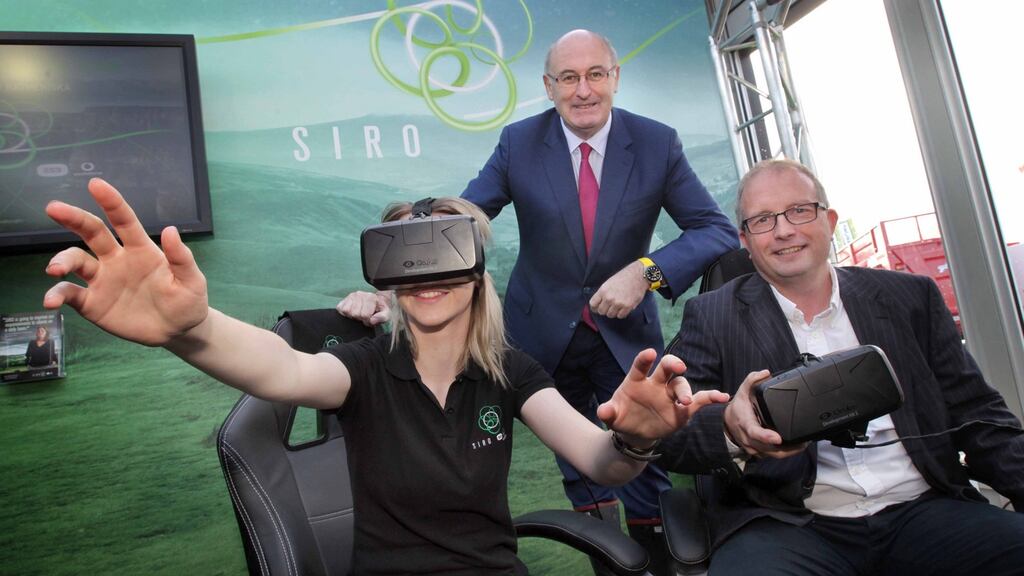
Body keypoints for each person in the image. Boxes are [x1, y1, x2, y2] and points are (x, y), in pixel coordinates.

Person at [42, 178, 729, 576]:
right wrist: (190, 327)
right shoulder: (361, 370)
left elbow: (599, 460)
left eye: (445, 254)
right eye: (407, 259)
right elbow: (281, 369)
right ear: (385, 278)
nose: (427, 277)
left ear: (479, 274)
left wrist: (637, 440)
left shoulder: (510, 373)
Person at [339, 29, 739, 571]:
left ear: (615, 77)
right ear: (548, 86)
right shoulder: (519, 142)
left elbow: (715, 229)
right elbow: (461, 222)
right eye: (568, 78)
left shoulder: (656, 142)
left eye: (595, 74)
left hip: (625, 342)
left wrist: (646, 272)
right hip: (543, 335)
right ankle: (608, 560)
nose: (583, 90)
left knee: (646, 457)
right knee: (579, 467)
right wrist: (393, 286)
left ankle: (659, 562)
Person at [658, 158, 1024, 575]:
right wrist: (729, 427)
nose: (783, 230)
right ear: (744, 239)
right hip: (789, 525)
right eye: (762, 220)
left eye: (799, 210)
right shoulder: (712, 315)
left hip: (924, 510)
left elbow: (980, 417)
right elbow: (674, 436)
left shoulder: (910, 298)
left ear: (829, 220)